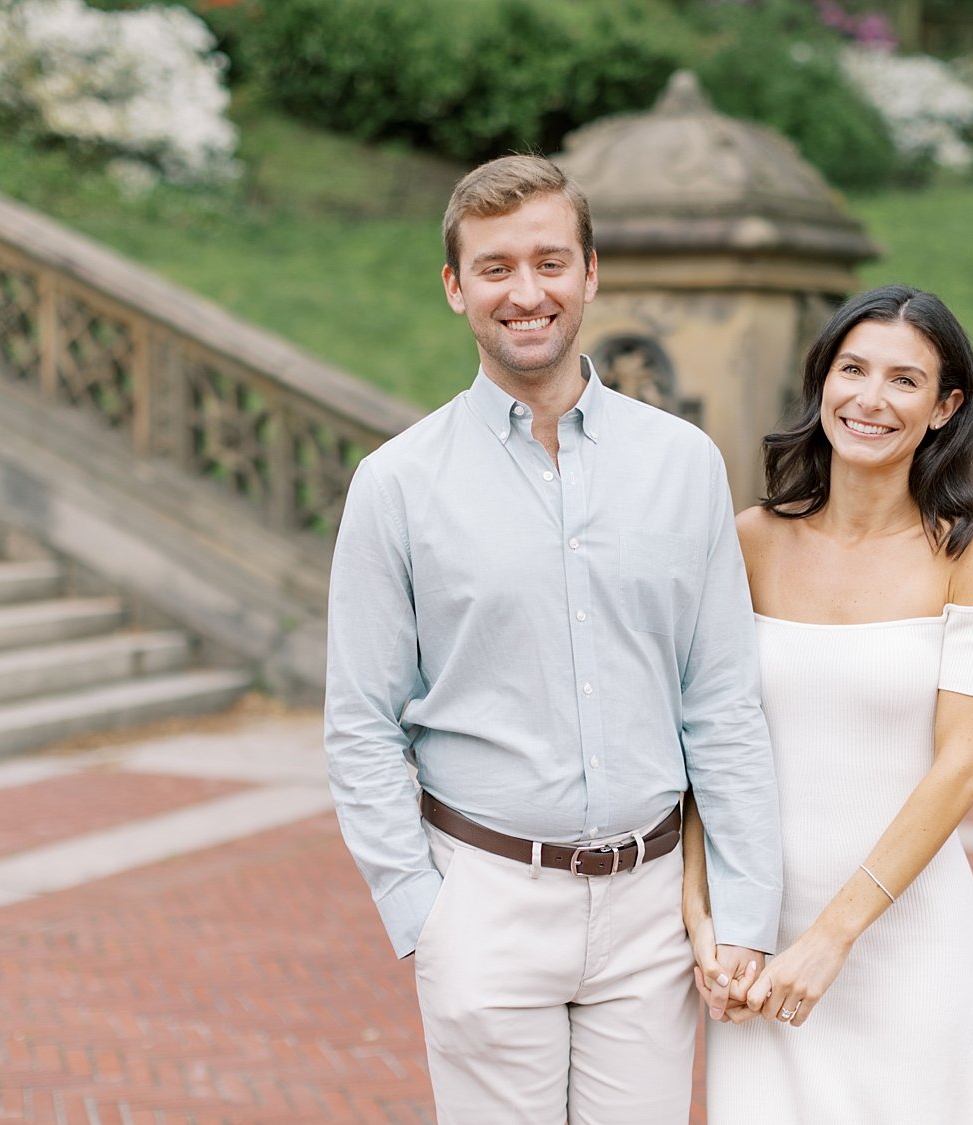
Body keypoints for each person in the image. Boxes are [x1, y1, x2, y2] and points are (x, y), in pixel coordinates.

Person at [323, 154, 782, 1124]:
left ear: (590, 272)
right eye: (495, 268)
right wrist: (422, 912)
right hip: (483, 899)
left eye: (549, 262)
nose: (525, 293)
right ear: (455, 287)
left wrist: (745, 908)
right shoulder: (398, 484)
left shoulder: (684, 466)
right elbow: (361, 722)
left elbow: (722, 701)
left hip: (653, 908)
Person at [686, 284, 973, 1124]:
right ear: (822, 383)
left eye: (904, 381)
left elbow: (964, 765)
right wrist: (704, 915)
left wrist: (833, 935)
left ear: (945, 407)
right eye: (853, 369)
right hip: (758, 930)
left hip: (902, 932)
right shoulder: (750, 538)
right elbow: (706, 743)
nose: (870, 398)